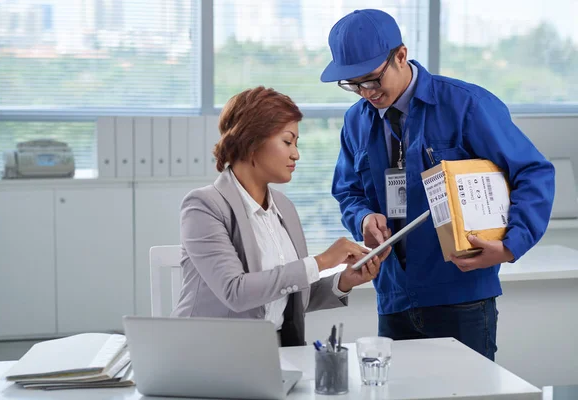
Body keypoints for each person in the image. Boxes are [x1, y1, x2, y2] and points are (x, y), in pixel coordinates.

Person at [320, 9, 555, 360]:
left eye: (371, 79)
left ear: (400, 56)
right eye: (352, 85)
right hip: (394, 298)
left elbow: (533, 172)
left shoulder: (465, 105)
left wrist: (510, 245)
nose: (365, 92)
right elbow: (348, 191)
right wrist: (364, 219)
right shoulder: (356, 121)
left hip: (462, 297)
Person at [172, 86, 391, 347]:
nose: (295, 154)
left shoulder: (284, 208)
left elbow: (288, 296)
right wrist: (321, 261)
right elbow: (236, 292)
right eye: (287, 141)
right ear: (251, 140)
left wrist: (344, 281)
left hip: (271, 353)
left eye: (296, 143)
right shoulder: (204, 206)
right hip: (210, 353)